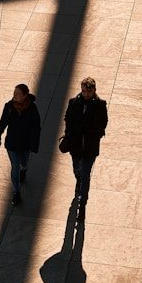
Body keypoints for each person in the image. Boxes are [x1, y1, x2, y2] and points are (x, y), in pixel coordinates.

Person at [63, 77, 108, 218]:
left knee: (86, 175)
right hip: (75, 145)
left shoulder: (100, 104)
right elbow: (67, 118)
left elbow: (104, 122)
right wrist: (69, 133)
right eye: (83, 91)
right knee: (77, 169)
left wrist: (97, 134)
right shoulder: (74, 102)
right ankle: (78, 181)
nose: (86, 94)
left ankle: (82, 204)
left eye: (89, 92)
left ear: (94, 90)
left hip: (90, 147)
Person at [0, 84, 41, 204]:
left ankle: (23, 170)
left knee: (23, 163)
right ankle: (16, 192)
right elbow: (3, 123)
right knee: (15, 165)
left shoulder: (32, 108)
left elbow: (36, 128)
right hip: (12, 144)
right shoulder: (9, 107)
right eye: (14, 93)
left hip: (26, 144)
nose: (14, 95)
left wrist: (34, 144)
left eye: (17, 94)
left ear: (25, 96)